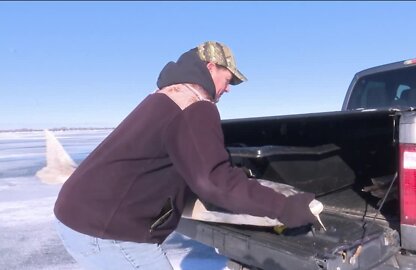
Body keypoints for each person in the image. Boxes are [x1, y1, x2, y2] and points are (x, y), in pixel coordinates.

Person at [54, 41, 320, 269]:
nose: (228, 89)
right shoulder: (195, 105)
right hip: (109, 233)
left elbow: (184, 165)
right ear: (210, 67)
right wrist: (286, 207)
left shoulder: (166, 96)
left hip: (78, 218)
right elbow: (212, 181)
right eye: (228, 80)